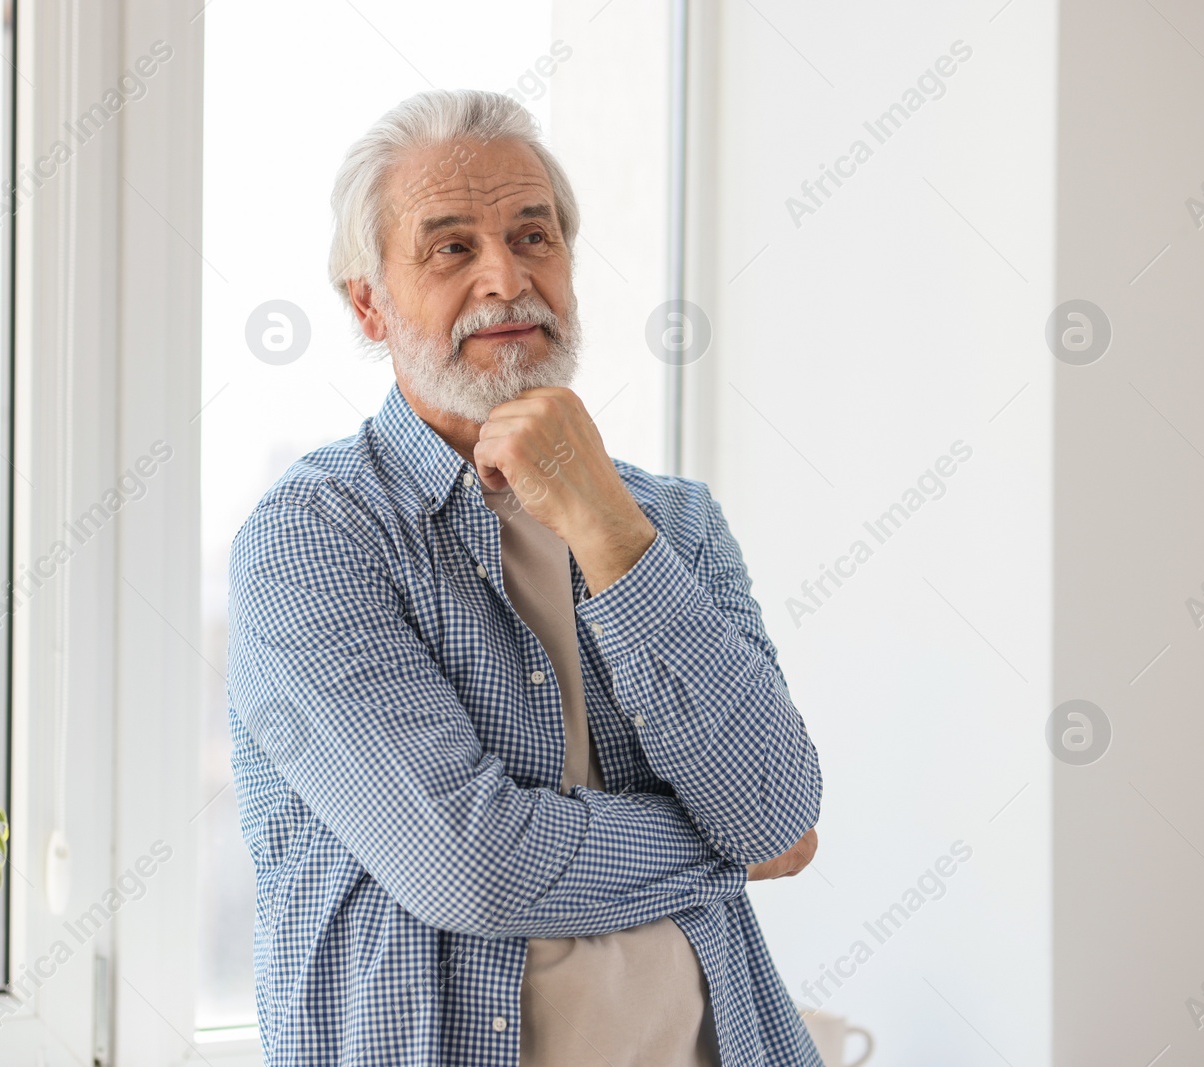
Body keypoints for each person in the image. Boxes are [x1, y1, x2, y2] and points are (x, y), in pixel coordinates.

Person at [227, 87, 823, 1067]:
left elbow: (774, 805)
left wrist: (600, 521)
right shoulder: (314, 537)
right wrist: (725, 845)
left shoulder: (671, 521)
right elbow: (471, 865)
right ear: (368, 301)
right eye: (452, 247)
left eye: (533, 235)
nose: (507, 278)